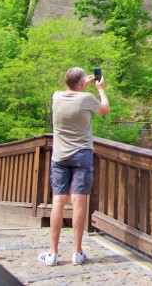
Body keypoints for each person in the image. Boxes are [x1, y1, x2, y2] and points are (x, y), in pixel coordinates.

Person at [38, 67, 109, 267]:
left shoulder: (57, 97)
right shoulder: (86, 98)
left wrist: (81, 83)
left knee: (58, 202)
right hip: (81, 155)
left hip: (59, 156)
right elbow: (104, 110)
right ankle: (77, 252)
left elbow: (72, 90)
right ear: (80, 84)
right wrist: (101, 89)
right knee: (78, 201)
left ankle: (52, 253)